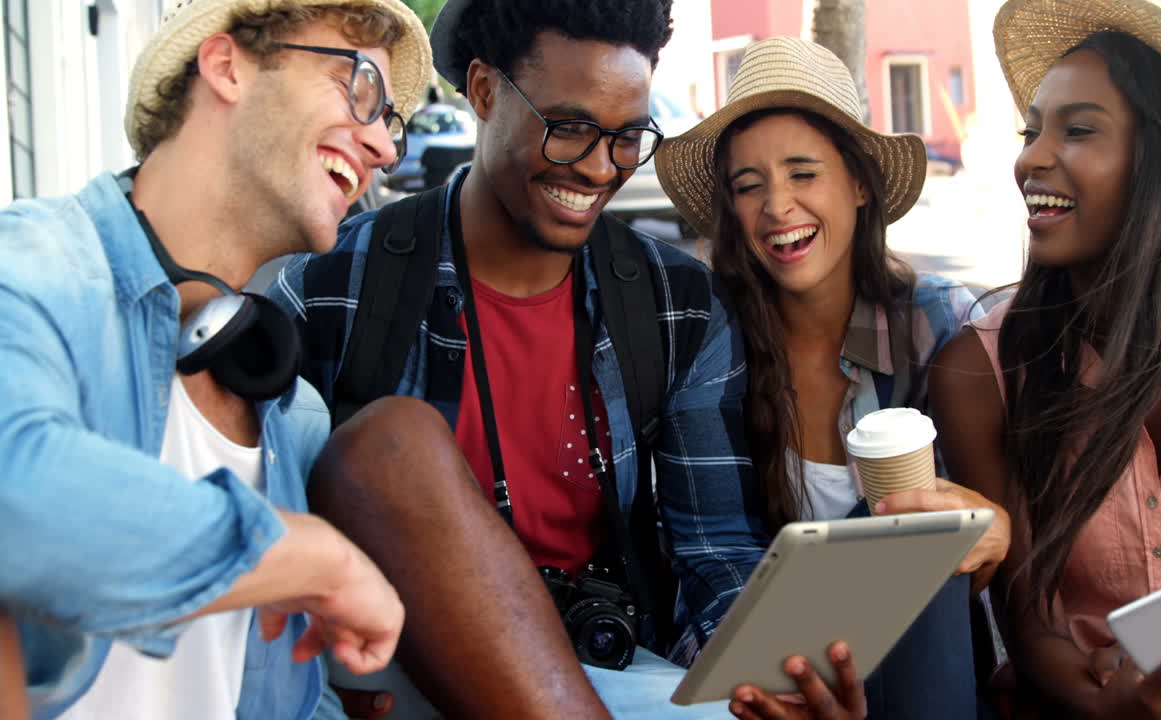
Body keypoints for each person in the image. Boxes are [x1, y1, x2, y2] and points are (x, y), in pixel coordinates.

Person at [266, 1, 882, 718]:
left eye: (627, 138)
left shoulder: (672, 304)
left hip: (610, 671)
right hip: (396, 672)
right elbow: (260, 543)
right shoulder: (334, 287)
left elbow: (714, 549)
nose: (598, 167)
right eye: (569, 129)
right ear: (486, 91)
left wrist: (765, 678)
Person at [0, 0, 433, 717]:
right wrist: (304, 554)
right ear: (227, 66)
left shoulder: (290, 413)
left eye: (390, 121)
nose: (384, 147)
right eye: (357, 86)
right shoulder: (33, 264)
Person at [930, 0, 1161, 717]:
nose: (1030, 157)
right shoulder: (979, 371)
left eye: (1078, 130)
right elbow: (1030, 631)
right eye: (1033, 130)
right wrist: (1122, 705)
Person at [654, 37, 1012, 720]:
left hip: (917, 655)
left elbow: (982, 546)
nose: (777, 206)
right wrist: (784, 682)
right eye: (748, 185)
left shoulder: (939, 323)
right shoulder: (711, 340)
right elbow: (716, 547)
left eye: (802, 173)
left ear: (858, 183)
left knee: (904, 531)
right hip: (760, 664)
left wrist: (995, 530)